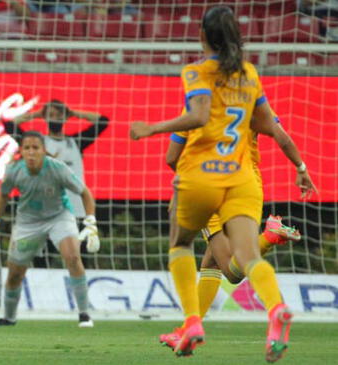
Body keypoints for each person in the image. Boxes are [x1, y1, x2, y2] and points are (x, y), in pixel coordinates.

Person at [129, 6, 316, 361]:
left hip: (203, 177)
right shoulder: (248, 75)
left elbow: (190, 128)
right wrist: (300, 166)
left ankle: (191, 323)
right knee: (235, 261)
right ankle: (276, 308)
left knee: (182, 245)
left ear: (202, 37)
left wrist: (152, 128)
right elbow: (272, 128)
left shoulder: (197, 74)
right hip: (244, 177)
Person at [159, 111, 316, 350]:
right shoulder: (251, 98)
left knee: (232, 272)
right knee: (211, 262)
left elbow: (172, 157)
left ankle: (269, 237)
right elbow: (282, 138)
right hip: (247, 182)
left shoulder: (198, 102)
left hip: (210, 182)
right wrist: (301, 167)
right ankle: (187, 329)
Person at [0, 131, 100, 328]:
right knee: (15, 273)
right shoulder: (13, 170)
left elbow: (85, 192)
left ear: (44, 151)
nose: (31, 153)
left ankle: (84, 314)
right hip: (28, 223)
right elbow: (3, 196)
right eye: (27, 148)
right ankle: (8, 318)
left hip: (59, 218)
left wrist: (91, 223)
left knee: (72, 257)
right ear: (21, 151)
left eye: (36, 148)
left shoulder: (57, 168)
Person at [4, 100, 108, 220]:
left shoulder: (76, 142)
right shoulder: (37, 143)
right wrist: (37, 114)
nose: (55, 118)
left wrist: (74, 113)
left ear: (65, 117)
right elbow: (9, 125)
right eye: (51, 115)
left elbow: (103, 121)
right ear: (45, 118)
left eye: (59, 115)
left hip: (75, 211)